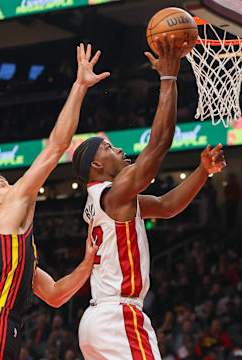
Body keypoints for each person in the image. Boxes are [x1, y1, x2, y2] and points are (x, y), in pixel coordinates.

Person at [72, 35, 227, 360]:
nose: (118, 149)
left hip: (95, 321)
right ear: (96, 165)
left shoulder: (107, 200)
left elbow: (168, 206)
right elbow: (158, 145)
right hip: (118, 317)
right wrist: (169, 78)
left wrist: (202, 173)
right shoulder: (114, 195)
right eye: (108, 148)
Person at [0, 43, 109, 360]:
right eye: (2, 184)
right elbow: (56, 147)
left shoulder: (9, 246)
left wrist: (87, 262)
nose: (12, 186)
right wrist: (80, 86)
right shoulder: (4, 214)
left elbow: (54, 295)